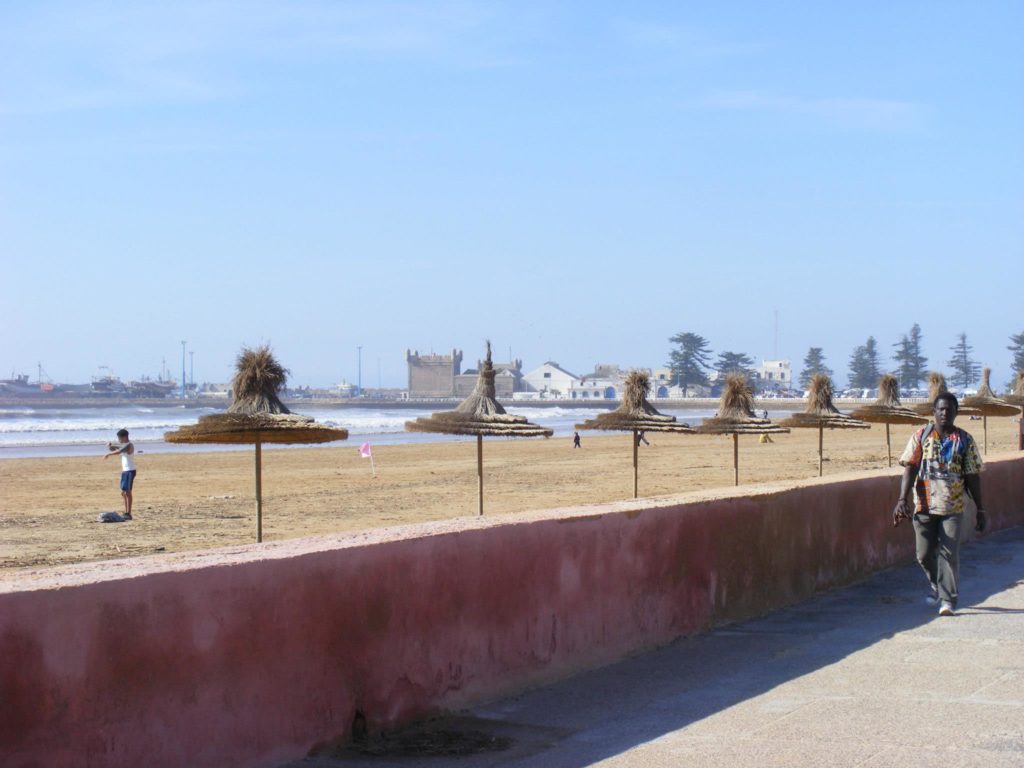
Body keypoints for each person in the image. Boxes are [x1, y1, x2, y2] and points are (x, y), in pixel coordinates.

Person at [892, 393, 984, 616]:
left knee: (948, 554)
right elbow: (910, 468)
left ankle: (948, 600)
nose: (945, 413)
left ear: (956, 412)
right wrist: (902, 500)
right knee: (923, 555)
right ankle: (936, 583)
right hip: (923, 506)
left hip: (952, 508)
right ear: (934, 412)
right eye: (941, 409)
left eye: (949, 409)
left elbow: (972, 476)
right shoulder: (921, 436)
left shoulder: (965, 440)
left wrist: (980, 509)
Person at [104, 428, 137, 520]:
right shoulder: (123, 445)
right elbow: (114, 448)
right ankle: (126, 512)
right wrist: (110, 446)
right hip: (125, 471)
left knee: (128, 492)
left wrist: (108, 454)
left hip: (130, 470)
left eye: (119, 438)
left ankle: (128, 513)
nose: (118, 440)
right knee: (123, 492)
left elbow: (118, 451)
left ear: (125, 437)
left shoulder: (129, 445)